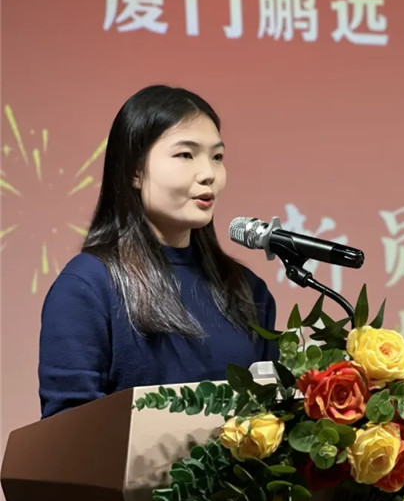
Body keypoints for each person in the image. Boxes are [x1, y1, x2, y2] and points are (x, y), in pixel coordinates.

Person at [38, 85, 277, 419]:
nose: (208, 174)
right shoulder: (87, 286)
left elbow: (271, 418)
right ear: (135, 171)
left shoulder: (247, 290)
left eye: (217, 157)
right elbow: (69, 427)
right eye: (186, 155)